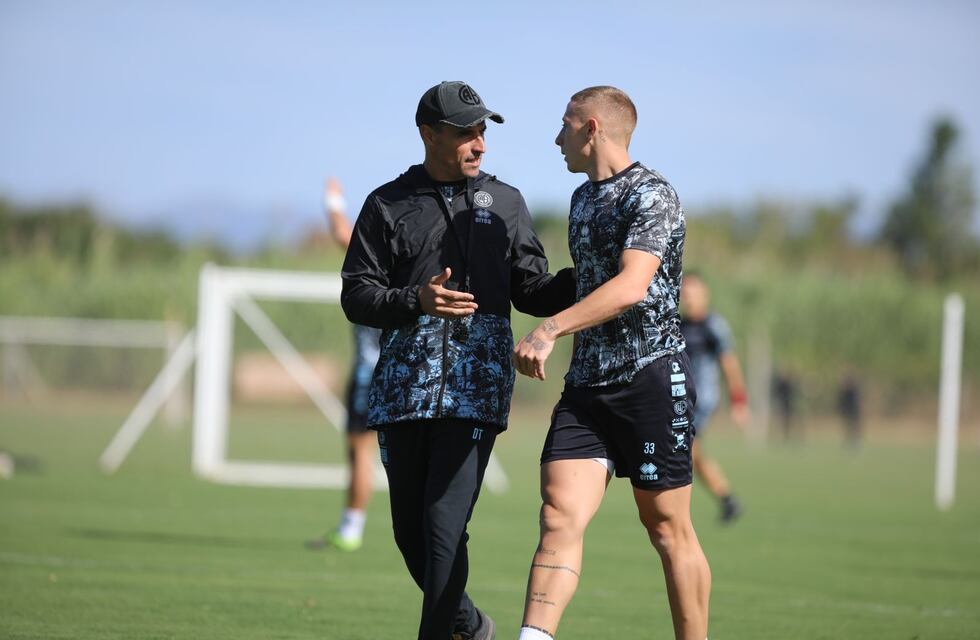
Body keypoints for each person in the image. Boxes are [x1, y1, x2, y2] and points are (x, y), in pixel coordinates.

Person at [341, 81, 575, 640]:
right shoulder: (386, 203)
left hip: (477, 389)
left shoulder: (508, 202)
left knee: (444, 527)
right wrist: (414, 300)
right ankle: (471, 626)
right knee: (410, 535)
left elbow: (531, 290)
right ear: (428, 134)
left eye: (483, 131)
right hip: (403, 389)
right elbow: (356, 296)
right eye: (465, 132)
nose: (479, 143)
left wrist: (582, 280)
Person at [513, 86, 711, 640]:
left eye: (565, 125)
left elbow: (630, 286)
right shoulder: (581, 199)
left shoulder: (652, 195)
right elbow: (588, 284)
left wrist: (551, 327)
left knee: (667, 529)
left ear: (592, 128)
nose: (557, 138)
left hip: (650, 378)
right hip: (588, 388)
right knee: (558, 515)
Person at [306, 178, 382, 552]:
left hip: (371, 374)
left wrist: (333, 199)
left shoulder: (371, 260)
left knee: (360, 452)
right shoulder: (416, 267)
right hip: (412, 372)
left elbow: (339, 231)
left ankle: (351, 528)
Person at [679, 272, 749, 524]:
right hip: (680, 399)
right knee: (692, 453)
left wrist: (739, 401)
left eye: (691, 291)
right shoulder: (678, 325)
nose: (687, 297)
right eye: (683, 292)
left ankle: (676, 511)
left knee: (683, 449)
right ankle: (727, 499)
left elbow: (729, 364)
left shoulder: (713, 325)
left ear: (704, 294)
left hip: (703, 400)